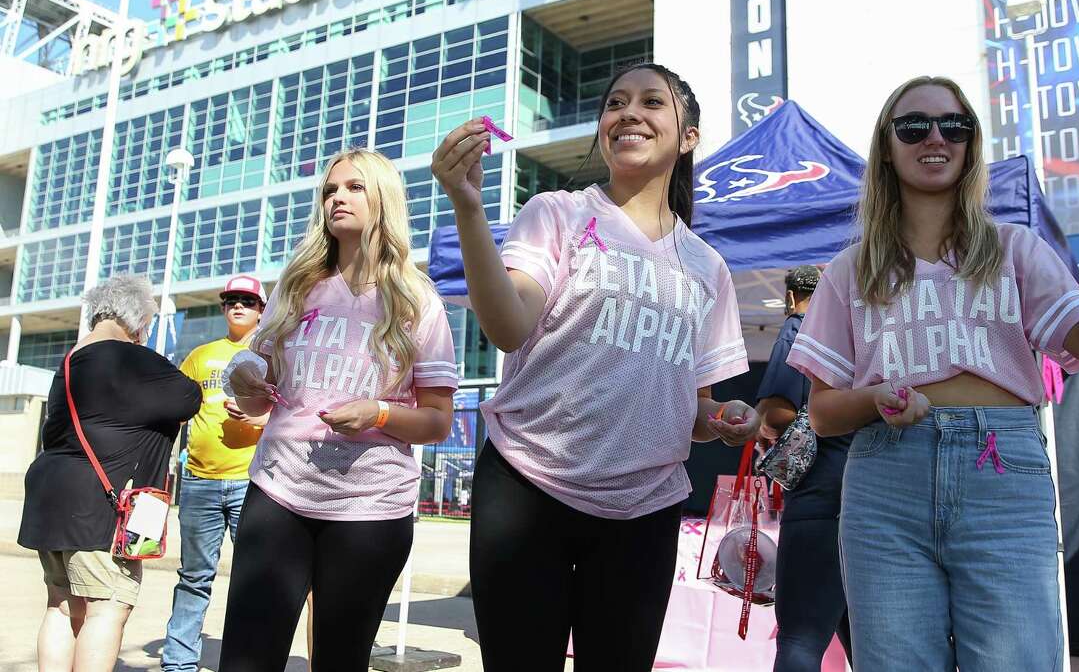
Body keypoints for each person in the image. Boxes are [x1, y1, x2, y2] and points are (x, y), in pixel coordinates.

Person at [787, 75, 1079, 671]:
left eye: (953, 125)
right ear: (886, 147)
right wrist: (875, 398)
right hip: (885, 481)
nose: (934, 137)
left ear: (970, 145)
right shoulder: (849, 270)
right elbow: (822, 409)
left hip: (1003, 471)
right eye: (913, 126)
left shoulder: (1015, 248)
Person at [432, 63, 757, 671]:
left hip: (645, 508)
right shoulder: (555, 212)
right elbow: (508, 327)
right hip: (528, 485)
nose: (628, 113)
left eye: (651, 102)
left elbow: (696, 411)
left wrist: (723, 416)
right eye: (615, 103)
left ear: (688, 136)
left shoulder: (707, 266)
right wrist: (469, 209)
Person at [220, 148, 459, 671]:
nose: (338, 199)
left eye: (354, 187)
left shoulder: (417, 299)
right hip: (278, 491)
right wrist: (243, 378)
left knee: (340, 660)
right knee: (245, 657)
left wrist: (378, 414)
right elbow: (259, 395)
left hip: (371, 509)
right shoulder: (297, 285)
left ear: (384, 200)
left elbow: (438, 420)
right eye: (330, 190)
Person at [19, 275, 201, 672]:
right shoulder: (134, 358)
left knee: (62, 605)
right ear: (138, 321)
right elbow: (188, 397)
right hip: (98, 504)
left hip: (50, 494)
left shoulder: (68, 362)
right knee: (107, 607)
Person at [161, 275, 267, 672]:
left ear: (261, 309)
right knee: (193, 577)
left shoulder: (272, 353)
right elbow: (176, 410)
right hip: (200, 482)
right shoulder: (200, 356)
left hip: (254, 483)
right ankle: (178, 663)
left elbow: (294, 414)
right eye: (230, 300)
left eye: (248, 301)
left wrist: (260, 416)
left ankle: (249, 661)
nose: (238, 306)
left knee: (255, 578)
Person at [756, 265, 853, 672]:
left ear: (791, 297)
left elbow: (779, 413)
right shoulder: (868, 330)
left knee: (799, 639)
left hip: (820, 494)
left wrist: (761, 421)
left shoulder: (800, 328)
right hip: (877, 495)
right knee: (875, 645)